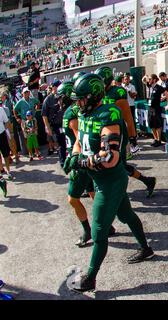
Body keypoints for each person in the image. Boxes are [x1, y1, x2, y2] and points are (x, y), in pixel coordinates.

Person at [66, 73, 154, 292]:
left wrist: (82, 162)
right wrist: (74, 154)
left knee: (98, 230)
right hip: (100, 179)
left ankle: (90, 278)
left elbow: (109, 157)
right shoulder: (83, 113)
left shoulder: (108, 113)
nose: (78, 103)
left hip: (110, 180)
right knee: (126, 215)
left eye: (81, 98)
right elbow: (79, 140)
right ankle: (146, 248)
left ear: (93, 96)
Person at [61, 81, 116, 247]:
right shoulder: (76, 109)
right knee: (93, 193)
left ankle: (88, 230)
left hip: (84, 160)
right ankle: (107, 225)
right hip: (81, 157)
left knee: (73, 198)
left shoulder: (78, 111)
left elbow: (80, 138)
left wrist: (75, 157)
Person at [95, 66, 156, 197]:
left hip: (118, 132)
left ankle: (121, 189)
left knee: (117, 163)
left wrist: (133, 136)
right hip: (104, 131)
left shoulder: (118, 91)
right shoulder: (100, 93)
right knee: (113, 163)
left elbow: (127, 116)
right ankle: (147, 181)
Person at [13, 87, 40, 156]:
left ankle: (36, 151)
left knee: (34, 134)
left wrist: (36, 108)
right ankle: (30, 152)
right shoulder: (20, 102)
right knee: (26, 137)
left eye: (27, 92)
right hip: (25, 121)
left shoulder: (32, 99)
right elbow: (14, 110)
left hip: (33, 119)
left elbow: (38, 103)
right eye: (25, 92)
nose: (26, 93)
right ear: (22, 93)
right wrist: (17, 118)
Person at [144, 74, 166, 147]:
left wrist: (167, 103)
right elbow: (143, 80)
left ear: (154, 80)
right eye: (149, 79)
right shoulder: (150, 86)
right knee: (151, 124)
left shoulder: (158, 87)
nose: (148, 80)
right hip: (150, 108)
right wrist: (146, 77)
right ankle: (155, 139)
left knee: (157, 124)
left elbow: (167, 94)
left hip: (156, 108)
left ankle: (159, 140)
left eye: (150, 79)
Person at [42, 80, 61, 156]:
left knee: (60, 140)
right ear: (54, 87)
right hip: (52, 124)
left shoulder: (61, 96)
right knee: (52, 139)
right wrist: (47, 126)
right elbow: (44, 114)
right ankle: (52, 149)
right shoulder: (48, 99)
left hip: (61, 123)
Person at [0, 92, 18, 165]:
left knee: (11, 142)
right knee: (7, 144)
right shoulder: (4, 105)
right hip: (3, 128)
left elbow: (7, 120)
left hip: (7, 127)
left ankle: (16, 156)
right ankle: (10, 157)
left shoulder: (6, 107)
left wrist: (8, 129)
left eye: (1, 97)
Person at [0, 104, 12, 180]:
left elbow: (7, 122)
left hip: (2, 134)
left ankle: (8, 171)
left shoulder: (1, 109)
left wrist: (4, 130)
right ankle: (1, 171)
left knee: (6, 154)